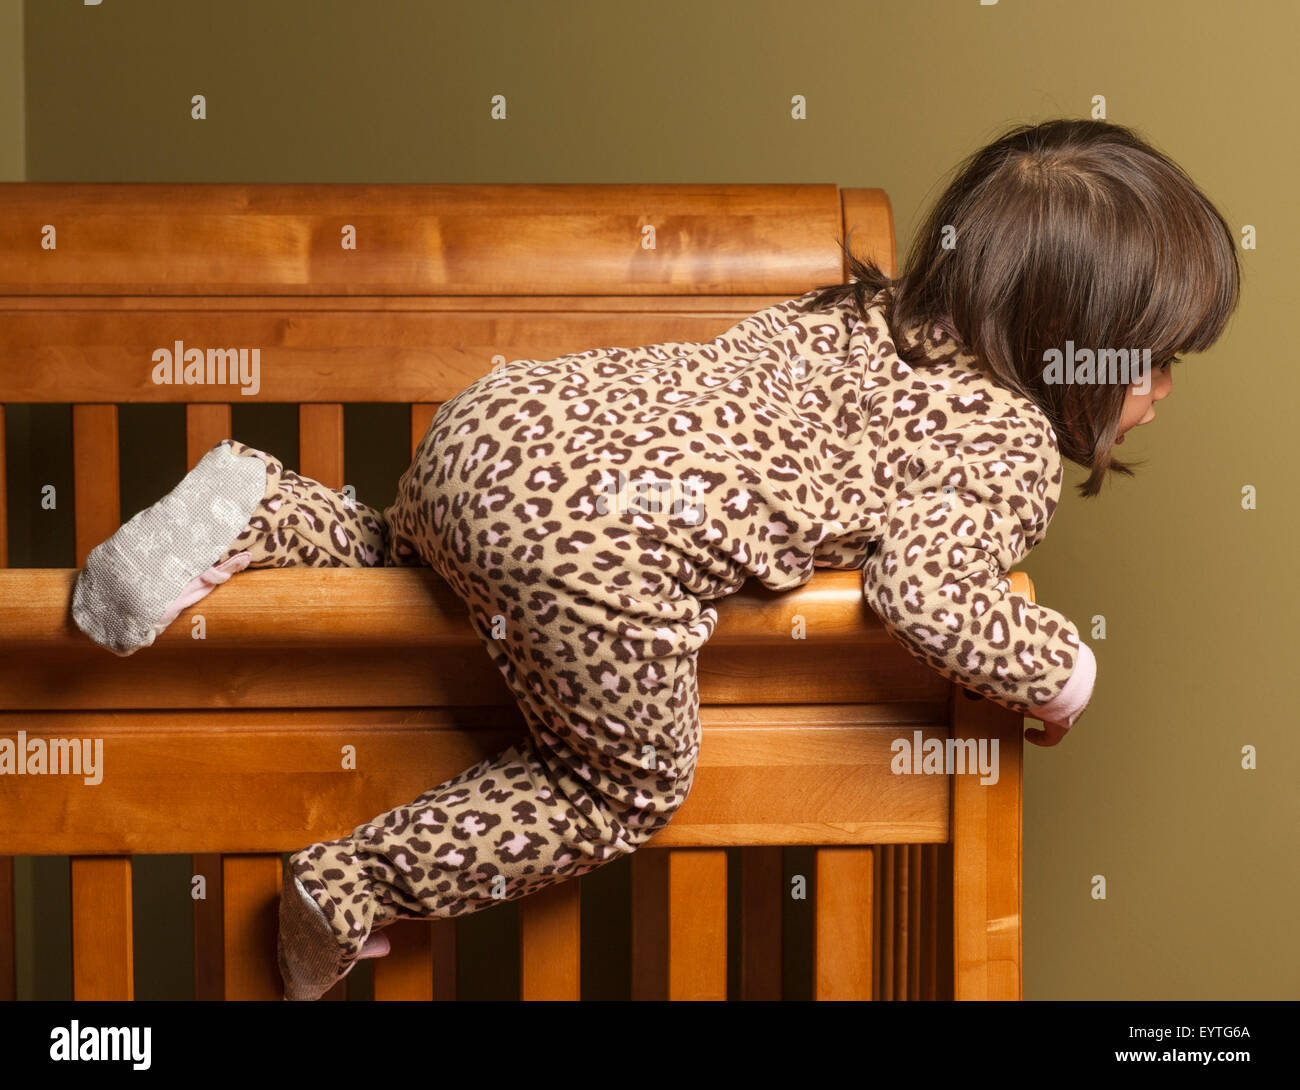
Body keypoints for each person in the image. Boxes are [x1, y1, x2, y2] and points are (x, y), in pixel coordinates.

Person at [68, 118, 1240, 1000]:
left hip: (493, 427)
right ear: (1064, 355)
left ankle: (260, 506)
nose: (1159, 392)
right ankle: (353, 882)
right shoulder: (1004, 441)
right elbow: (923, 594)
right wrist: (1058, 668)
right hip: (590, 547)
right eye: (1150, 363)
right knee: (620, 783)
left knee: (408, 558)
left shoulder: (850, 310)